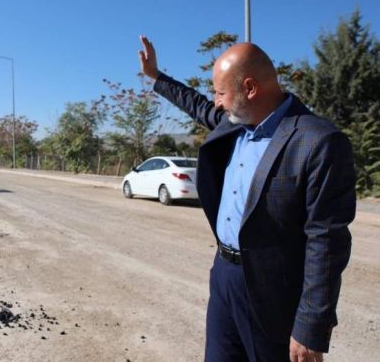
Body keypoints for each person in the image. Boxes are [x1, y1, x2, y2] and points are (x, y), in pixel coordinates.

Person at [138, 36, 355, 362]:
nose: (216, 103)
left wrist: (311, 326)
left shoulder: (317, 141)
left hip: (273, 293)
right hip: (225, 276)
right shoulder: (235, 123)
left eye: (221, 93)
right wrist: (157, 76)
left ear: (250, 88)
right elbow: (195, 104)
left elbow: (326, 241)